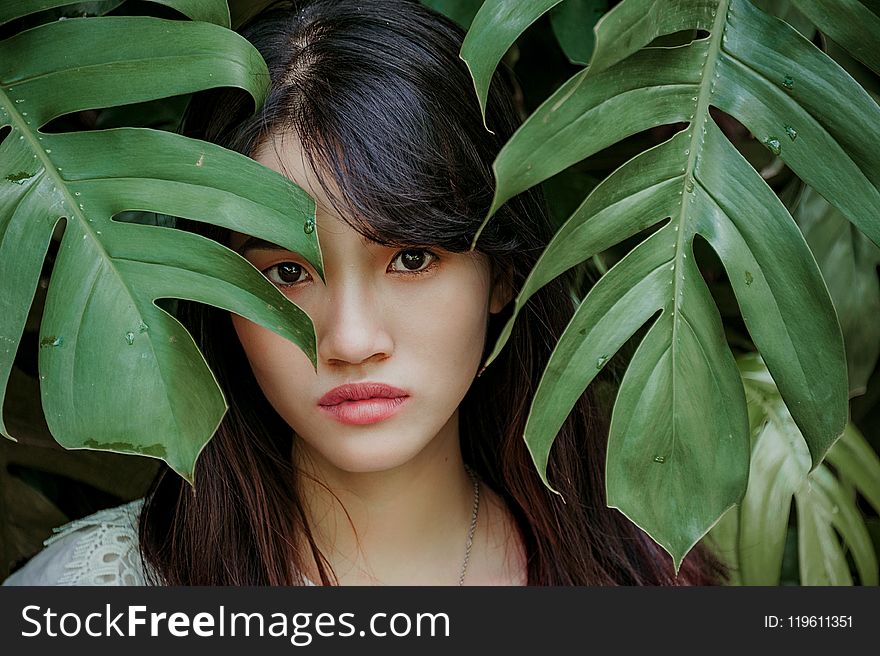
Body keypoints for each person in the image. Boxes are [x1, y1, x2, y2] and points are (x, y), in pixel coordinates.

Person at [4, 0, 727, 586]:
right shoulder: (97, 594)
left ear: (503, 273)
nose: (350, 340)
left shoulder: (638, 583)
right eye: (285, 273)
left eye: (411, 258)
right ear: (219, 292)